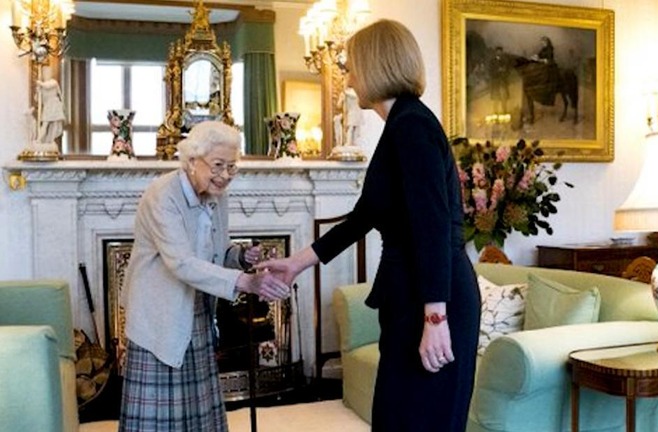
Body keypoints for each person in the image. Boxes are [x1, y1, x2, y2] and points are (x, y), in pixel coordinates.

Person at [257, 19, 480, 432]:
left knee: (420, 421)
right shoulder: (400, 125)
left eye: (352, 65)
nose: (349, 76)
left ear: (377, 65)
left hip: (429, 300)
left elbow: (432, 226)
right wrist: (297, 263)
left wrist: (435, 319)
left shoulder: (411, 126)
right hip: (412, 297)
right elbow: (364, 217)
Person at [118, 121, 291, 432]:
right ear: (192, 160)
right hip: (159, 313)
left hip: (195, 309)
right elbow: (182, 262)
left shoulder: (216, 193)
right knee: (160, 418)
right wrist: (245, 282)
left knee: (197, 411)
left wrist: (239, 256)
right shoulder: (162, 195)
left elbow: (215, 249)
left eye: (232, 167)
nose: (225, 175)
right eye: (218, 165)